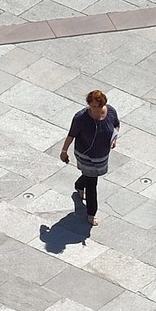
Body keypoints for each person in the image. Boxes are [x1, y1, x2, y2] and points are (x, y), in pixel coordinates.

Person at [60, 87, 119, 225]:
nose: (97, 110)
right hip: (85, 155)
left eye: (99, 106)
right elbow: (71, 135)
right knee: (92, 183)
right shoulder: (81, 118)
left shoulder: (110, 112)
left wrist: (114, 138)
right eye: (93, 106)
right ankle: (91, 213)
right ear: (89, 105)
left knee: (90, 176)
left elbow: (116, 124)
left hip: (102, 154)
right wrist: (64, 151)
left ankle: (79, 185)